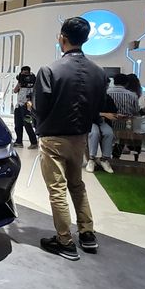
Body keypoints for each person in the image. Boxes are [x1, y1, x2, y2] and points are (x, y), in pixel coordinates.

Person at [33, 17, 107, 261]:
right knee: (78, 186)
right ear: (85, 39)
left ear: (62, 38)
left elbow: (40, 108)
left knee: (57, 190)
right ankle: (87, 234)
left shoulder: (50, 70)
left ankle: (65, 241)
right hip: (80, 138)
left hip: (53, 138)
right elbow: (98, 107)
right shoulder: (99, 73)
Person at [86, 93, 118, 173]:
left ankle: (104, 159)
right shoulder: (88, 95)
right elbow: (85, 111)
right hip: (89, 121)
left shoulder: (107, 97)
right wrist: (103, 114)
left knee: (109, 133)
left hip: (103, 122)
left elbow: (114, 110)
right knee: (94, 133)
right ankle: (91, 159)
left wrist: (115, 115)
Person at [12, 66, 38, 149]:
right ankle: (19, 142)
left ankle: (34, 142)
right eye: (23, 73)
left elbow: (34, 93)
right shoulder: (21, 81)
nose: (24, 75)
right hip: (18, 106)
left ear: (29, 73)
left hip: (27, 106)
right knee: (17, 124)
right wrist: (20, 82)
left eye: (26, 73)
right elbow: (15, 91)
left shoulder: (32, 81)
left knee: (27, 124)